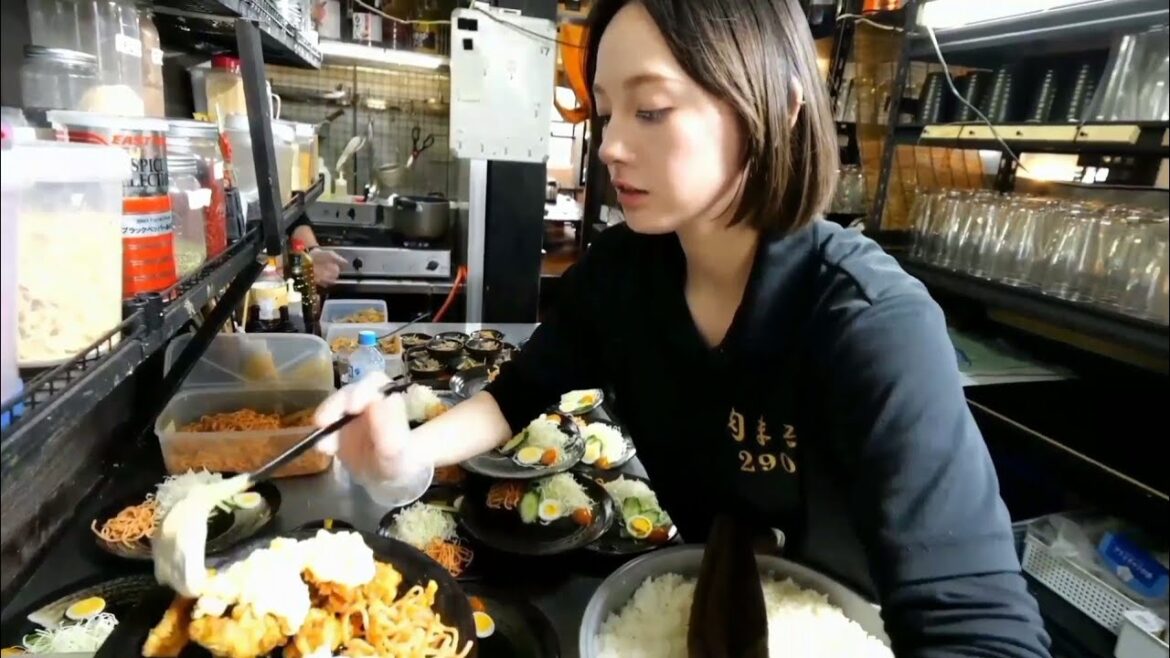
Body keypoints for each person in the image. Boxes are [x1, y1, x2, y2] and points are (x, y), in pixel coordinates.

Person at [315, 0, 1052, 655]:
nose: (609, 146)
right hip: (693, 594)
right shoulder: (623, 275)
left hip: (838, 630)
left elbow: (978, 622)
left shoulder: (870, 322)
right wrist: (403, 454)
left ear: (780, 105)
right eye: (606, 111)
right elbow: (519, 392)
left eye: (653, 109)